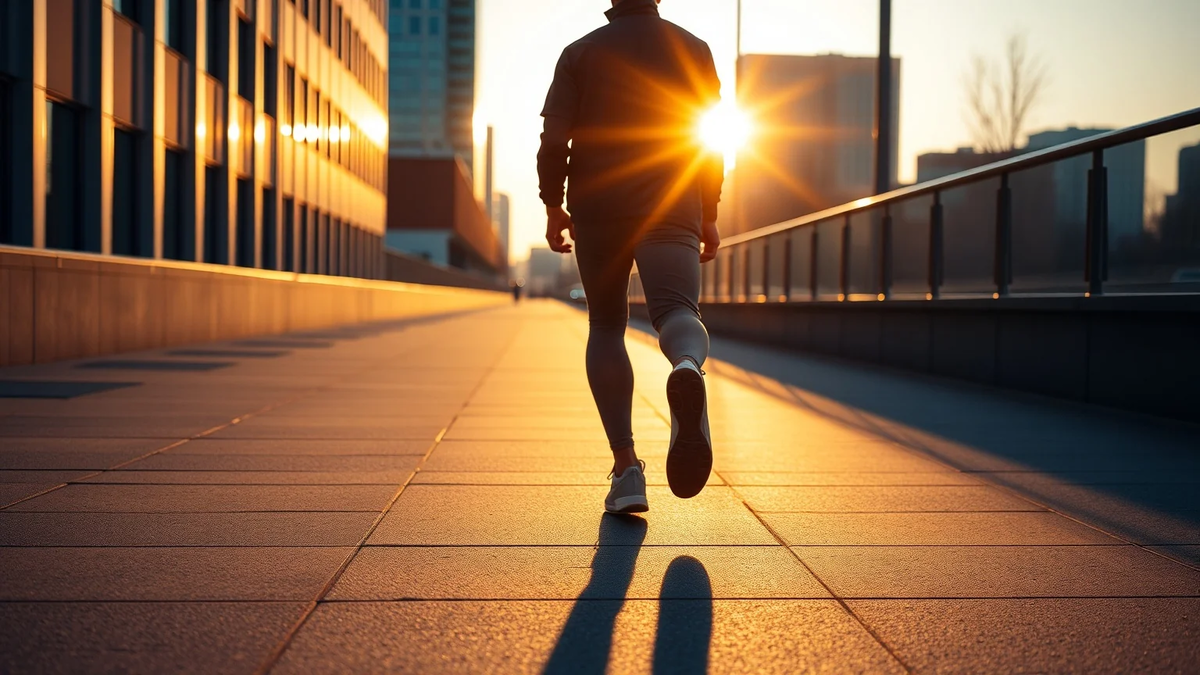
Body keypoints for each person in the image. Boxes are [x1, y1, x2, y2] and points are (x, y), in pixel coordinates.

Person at [537, 0, 723, 513]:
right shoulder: (694, 50)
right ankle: (687, 365)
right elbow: (708, 138)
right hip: (673, 200)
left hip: (599, 207)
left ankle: (626, 470)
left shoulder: (579, 54)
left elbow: (555, 140)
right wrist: (709, 209)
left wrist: (554, 204)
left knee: (606, 326)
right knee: (678, 312)